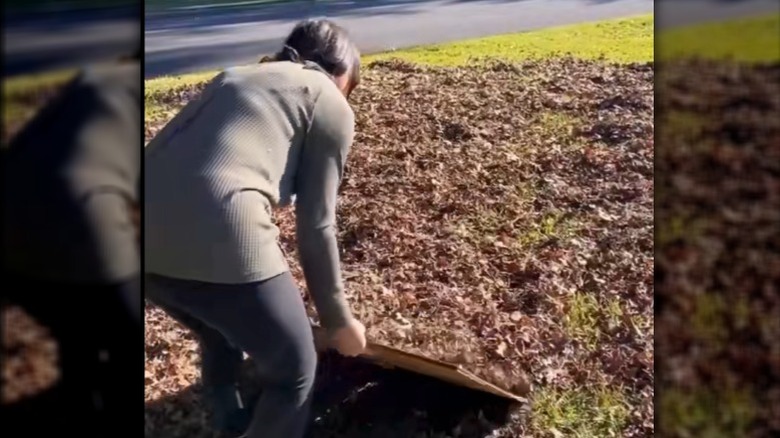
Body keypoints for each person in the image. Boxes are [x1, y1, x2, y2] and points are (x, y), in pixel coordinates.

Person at [144, 19, 367, 438]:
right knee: (296, 371)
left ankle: (231, 422)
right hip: (219, 226)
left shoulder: (235, 77)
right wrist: (339, 322)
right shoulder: (329, 100)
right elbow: (317, 225)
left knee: (218, 330)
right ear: (342, 74)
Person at [2, 50, 142, 435]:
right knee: (126, 340)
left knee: (76, 329)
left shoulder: (90, 82)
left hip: (10, 228)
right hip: (81, 218)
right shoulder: (129, 90)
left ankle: (79, 408)